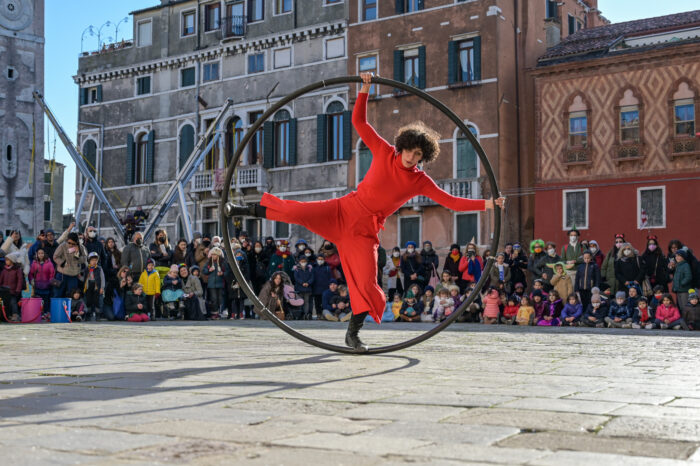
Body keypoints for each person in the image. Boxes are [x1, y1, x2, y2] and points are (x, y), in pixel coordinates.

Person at [225, 73, 504, 350]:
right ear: (403, 145)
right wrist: (365, 89)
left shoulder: (420, 180)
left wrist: (488, 204)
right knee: (295, 210)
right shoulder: (384, 151)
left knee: (368, 283)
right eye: (411, 150)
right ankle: (240, 208)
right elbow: (359, 122)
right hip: (344, 209)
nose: (412, 157)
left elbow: (451, 202)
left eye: (419, 155)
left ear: (423, 157)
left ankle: (353, 334)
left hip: (365, 229)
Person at [53, 232, 87, 298]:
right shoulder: (62, 246)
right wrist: (63, 263)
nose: (71, 245)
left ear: (76, 242)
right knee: (57, 294)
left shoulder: (81, 247)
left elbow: (85, 258)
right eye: (69, 243)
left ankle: (70, 308)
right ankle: (56, 308)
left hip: (73, 275)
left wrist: (77, 255)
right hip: (62, 274)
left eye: (73, 243)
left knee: (72, 295)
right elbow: (55, 256)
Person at [28, 249, 55, 318]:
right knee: (37, 301)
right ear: (36, 254)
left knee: (46, 301)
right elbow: (30, 274)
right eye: (39, 253)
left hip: (46, 286)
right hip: (37, 286)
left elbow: (52, 274)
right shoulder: (34, 263)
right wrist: (32, 281)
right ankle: (38, 314)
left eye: (42, 253)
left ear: (44, 254)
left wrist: (49, 282)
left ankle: (46, 313)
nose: (41, 255)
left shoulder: (49, 263)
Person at [0, 252, 24, 321]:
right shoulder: (4, 270)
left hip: (13, 290)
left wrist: (18, 290)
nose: (6, 261)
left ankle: (15, 315)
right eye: (6, 260)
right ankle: (7, 315)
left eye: (8, 260)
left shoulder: (17, 270)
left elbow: (20, 280)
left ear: (12, 260)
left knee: (13, 303)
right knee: (6, 304)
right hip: (4, 291)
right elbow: (1, 280)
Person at [203, 247, 225, 319]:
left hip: (220, 283)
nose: (213, 256)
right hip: (212, 284)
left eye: (215, 255)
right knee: (214, 299)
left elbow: (227, 271)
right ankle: (214, 312)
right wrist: (209, 270)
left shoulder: (222, 262)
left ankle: (219, 312)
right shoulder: (209, 262)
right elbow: (204, 271)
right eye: (212, 255)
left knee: (220, 299)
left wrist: (222, 273)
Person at [83, 252, 105, 321]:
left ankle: (98, 315)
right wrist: (80, 277)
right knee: (89, 300)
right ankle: (88, 314)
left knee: (97, 301)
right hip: (89, 285)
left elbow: (102, 278)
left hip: (96, 286)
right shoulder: (87, 268)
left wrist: (102, 287)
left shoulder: (99, 268)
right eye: (92, 260)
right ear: (89, 261)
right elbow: (84, 278)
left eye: (96, 260)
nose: (94, 262)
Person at [312, 253, 332, 320]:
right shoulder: (313, 267)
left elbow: (330, 277)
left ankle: (324, 315)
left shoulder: (327, 267)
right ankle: (318, 314)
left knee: (324, 303)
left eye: (322, 259)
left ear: (324, 260)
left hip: (325, 288)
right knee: (317, 303)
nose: (320, 260)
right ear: (316, 259)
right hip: (316, 288)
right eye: (319, 259)